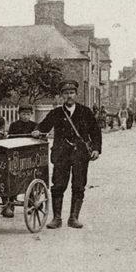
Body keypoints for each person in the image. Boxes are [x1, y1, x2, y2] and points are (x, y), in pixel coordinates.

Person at [32, 80, 102, 229]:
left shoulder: (86, 112)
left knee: (78, 185)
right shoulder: (56, 113)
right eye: (66, 93)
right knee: (58, 185)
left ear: (76, 94)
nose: (69, 96)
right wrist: (38, 130)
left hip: (80, 154)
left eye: (71, 93)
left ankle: (73, 218)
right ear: (61, 95)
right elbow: (44, 126)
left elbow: (95, 132)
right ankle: (57, 218)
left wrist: (96, 149)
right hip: (61, 153)